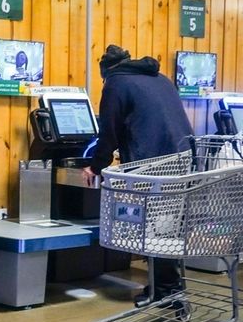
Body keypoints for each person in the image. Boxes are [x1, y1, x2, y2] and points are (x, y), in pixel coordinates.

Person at [81, 45, 193, 304]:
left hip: (154, 164)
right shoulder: (159, 78)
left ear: (105, 71)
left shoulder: (115, 84)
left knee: (156, 226)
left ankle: (166, 288)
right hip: (183, 156)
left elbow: (109, 134)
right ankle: (169, 285)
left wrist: (96, 167)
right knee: (168, 225)